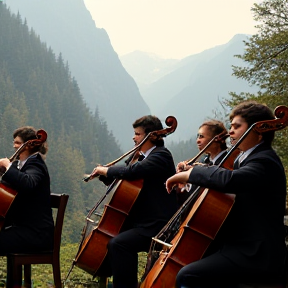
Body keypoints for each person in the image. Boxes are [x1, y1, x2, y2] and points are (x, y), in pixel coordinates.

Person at [166, 101, 287, 287]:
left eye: (237, 127)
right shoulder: (244, 158)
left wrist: (190, 173)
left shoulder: (264, 161)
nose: (231, 131)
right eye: (230, 126)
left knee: (188, 275)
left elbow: (229, 180)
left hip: (256, 252)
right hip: (238, 244)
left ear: (259, 130)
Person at [90, 115, 178, 288]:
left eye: (137, 134)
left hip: (157, 225)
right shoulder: (142, 157)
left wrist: (106, 170)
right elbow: (125, 178)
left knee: (119, 244)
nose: (134, 137)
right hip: (140, 222)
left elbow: (133, 171)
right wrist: (104, 176)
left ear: (151, 136)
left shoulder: (161, 156)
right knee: (110, 240)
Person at [0, 126, 54, 256]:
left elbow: (28, 183)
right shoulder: (19, 165)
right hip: (22, 229)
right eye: (14, 142)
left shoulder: (36, 164)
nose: (14, 146)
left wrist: (7, 166)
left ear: (28, 145)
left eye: (17, 143)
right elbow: (7, 189)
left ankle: (13, 277)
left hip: (36, 234)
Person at [176, 120, 229, 207]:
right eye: (198, 136)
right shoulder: (202, 162)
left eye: (201, 136)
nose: (197, 141)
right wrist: (184, 185)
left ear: (217, 139)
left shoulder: (228, 162)